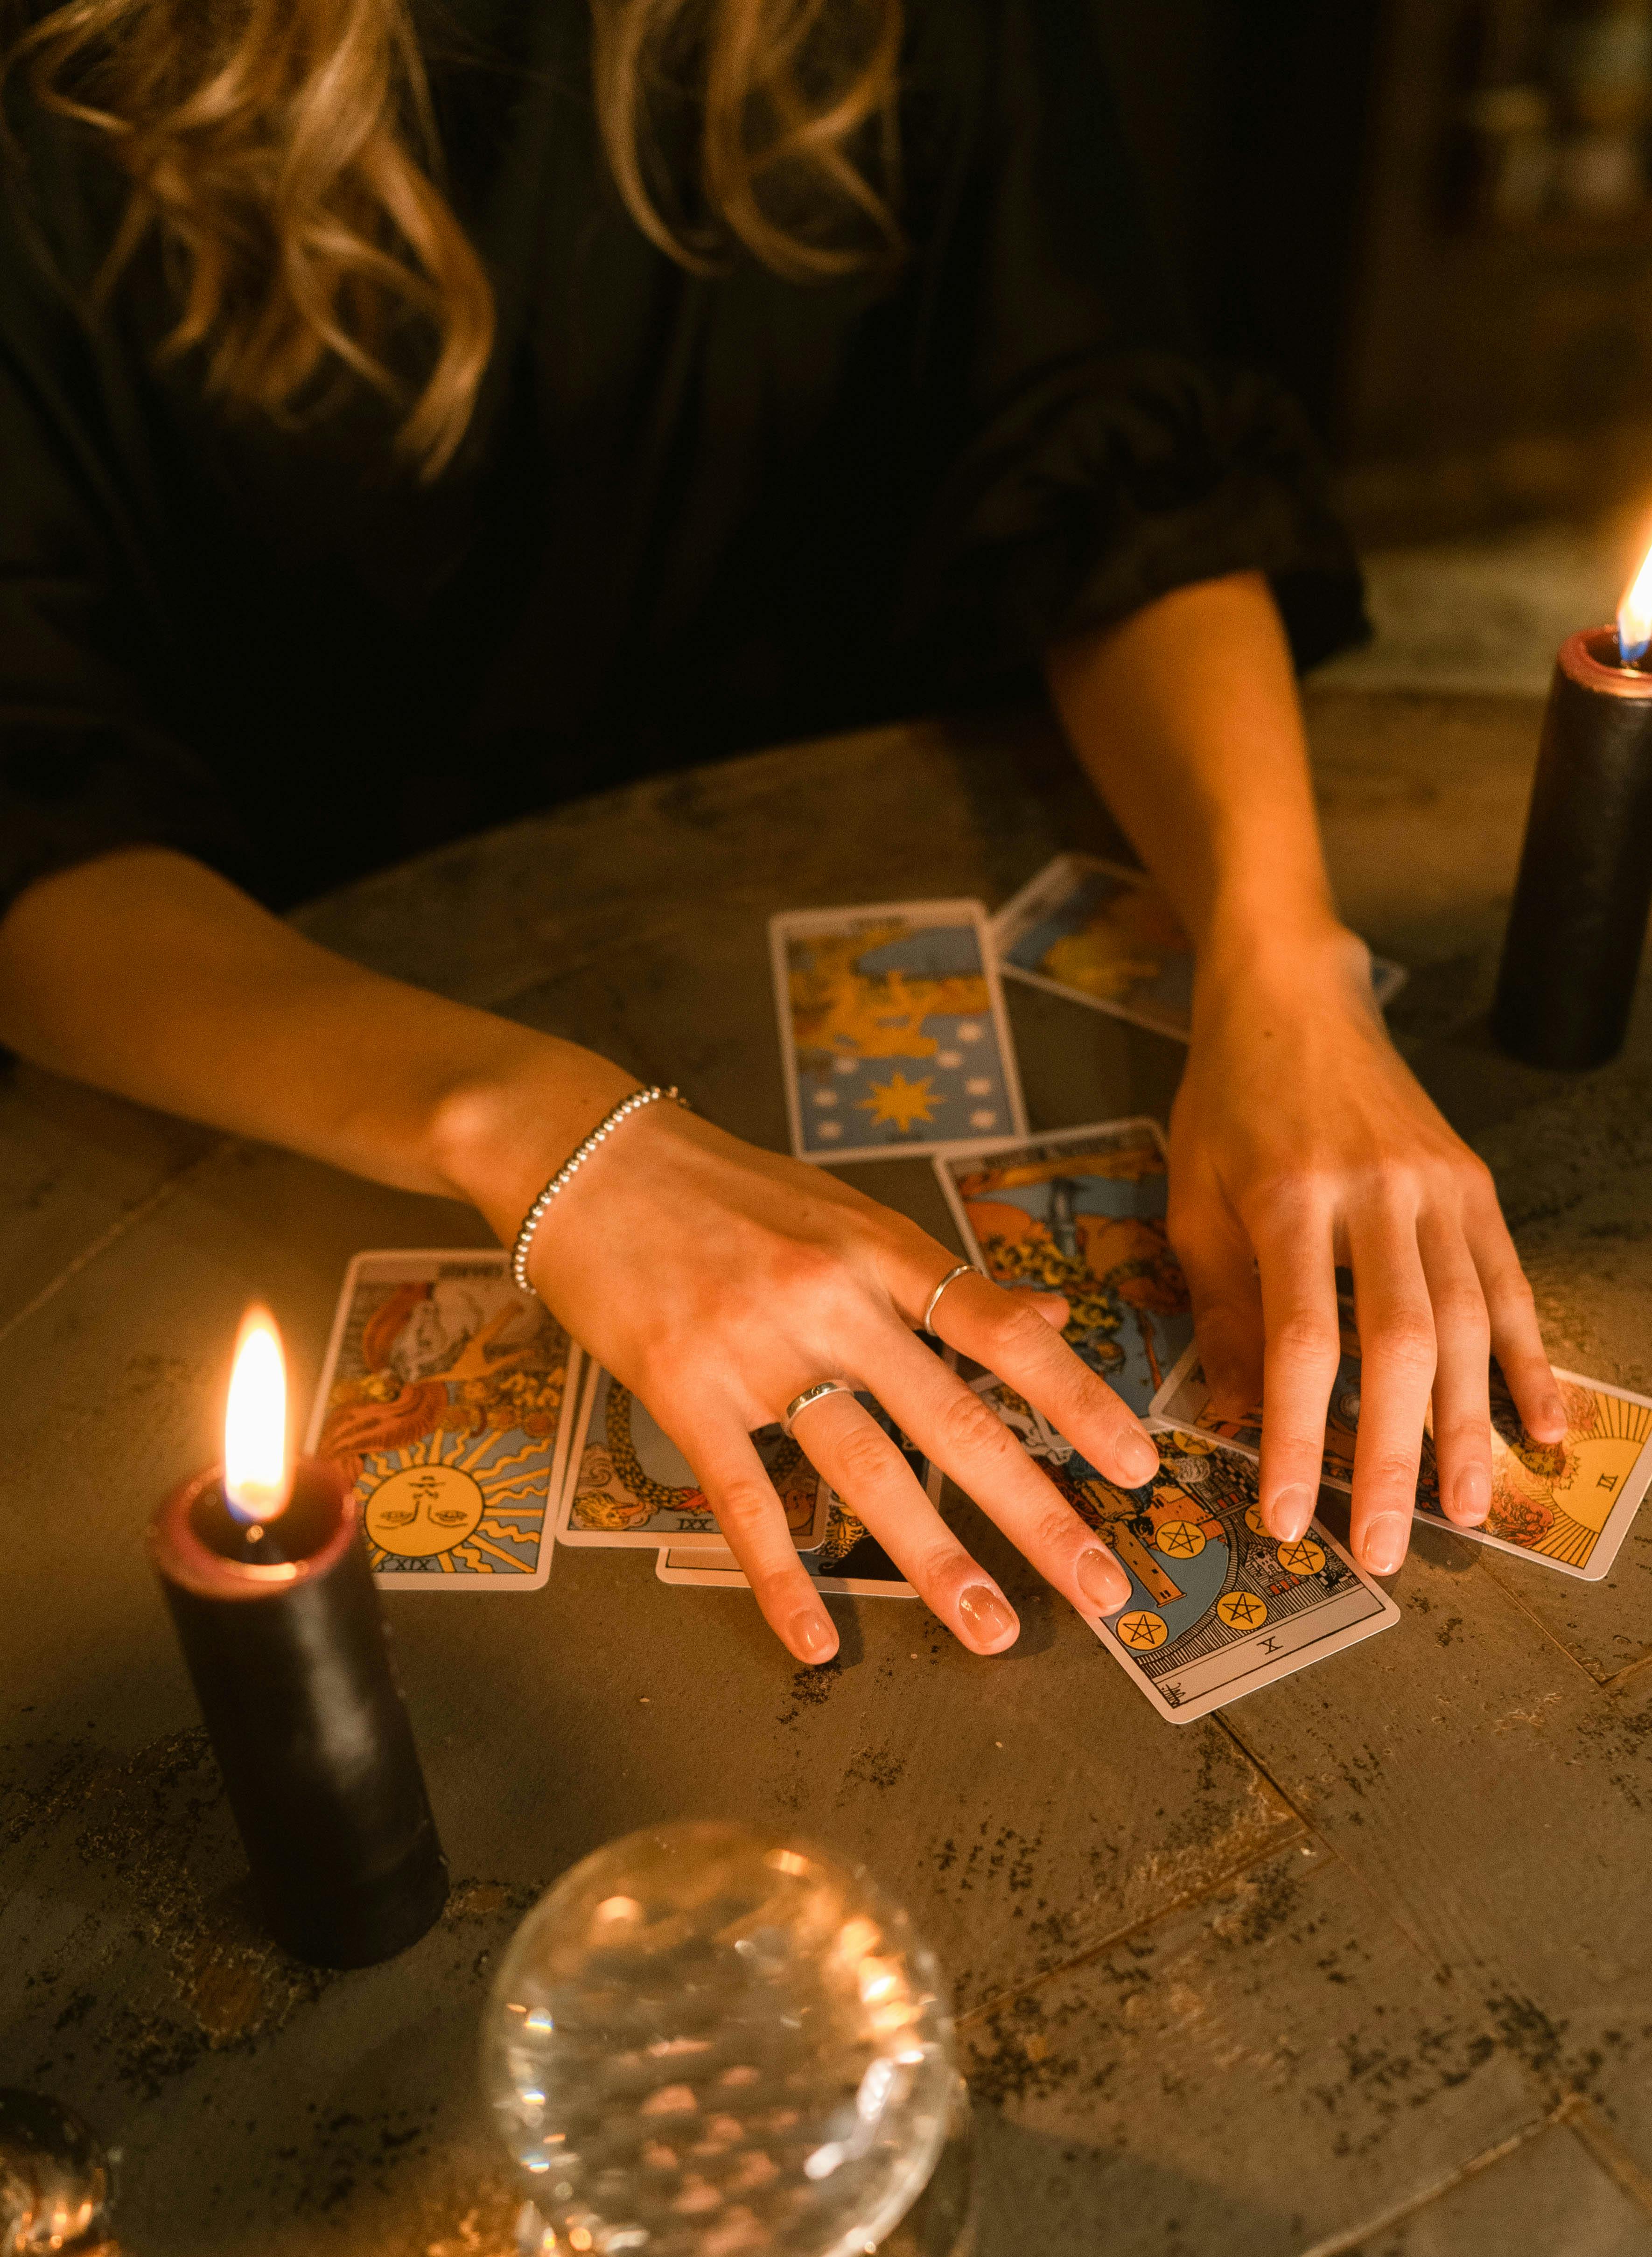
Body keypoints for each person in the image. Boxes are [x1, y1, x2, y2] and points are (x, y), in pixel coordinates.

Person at [0, 0, 1565, 1669]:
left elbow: (1110, 457)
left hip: (877, 881)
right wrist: (540, 1137)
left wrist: (1283, 958)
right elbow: (36, 814)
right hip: (292, 1037)